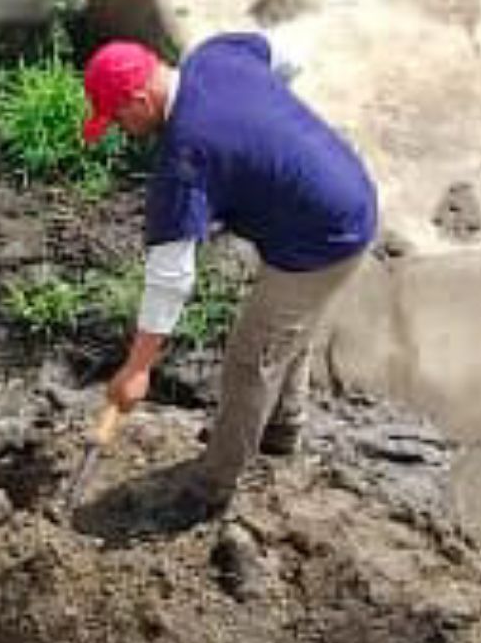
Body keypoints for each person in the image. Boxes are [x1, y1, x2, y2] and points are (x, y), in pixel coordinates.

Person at [81, 32, 378, 525]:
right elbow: (286, 58)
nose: (121, 129)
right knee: (287, 328)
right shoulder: (217, 56)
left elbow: (171, 277)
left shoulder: (187, 157)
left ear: (139, 99)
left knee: (251, 358)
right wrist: (268, 140)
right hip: (345, 190)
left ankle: (210, 489)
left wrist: (137, 368)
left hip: (324, 237)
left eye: (118, 118)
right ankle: (282, 432)